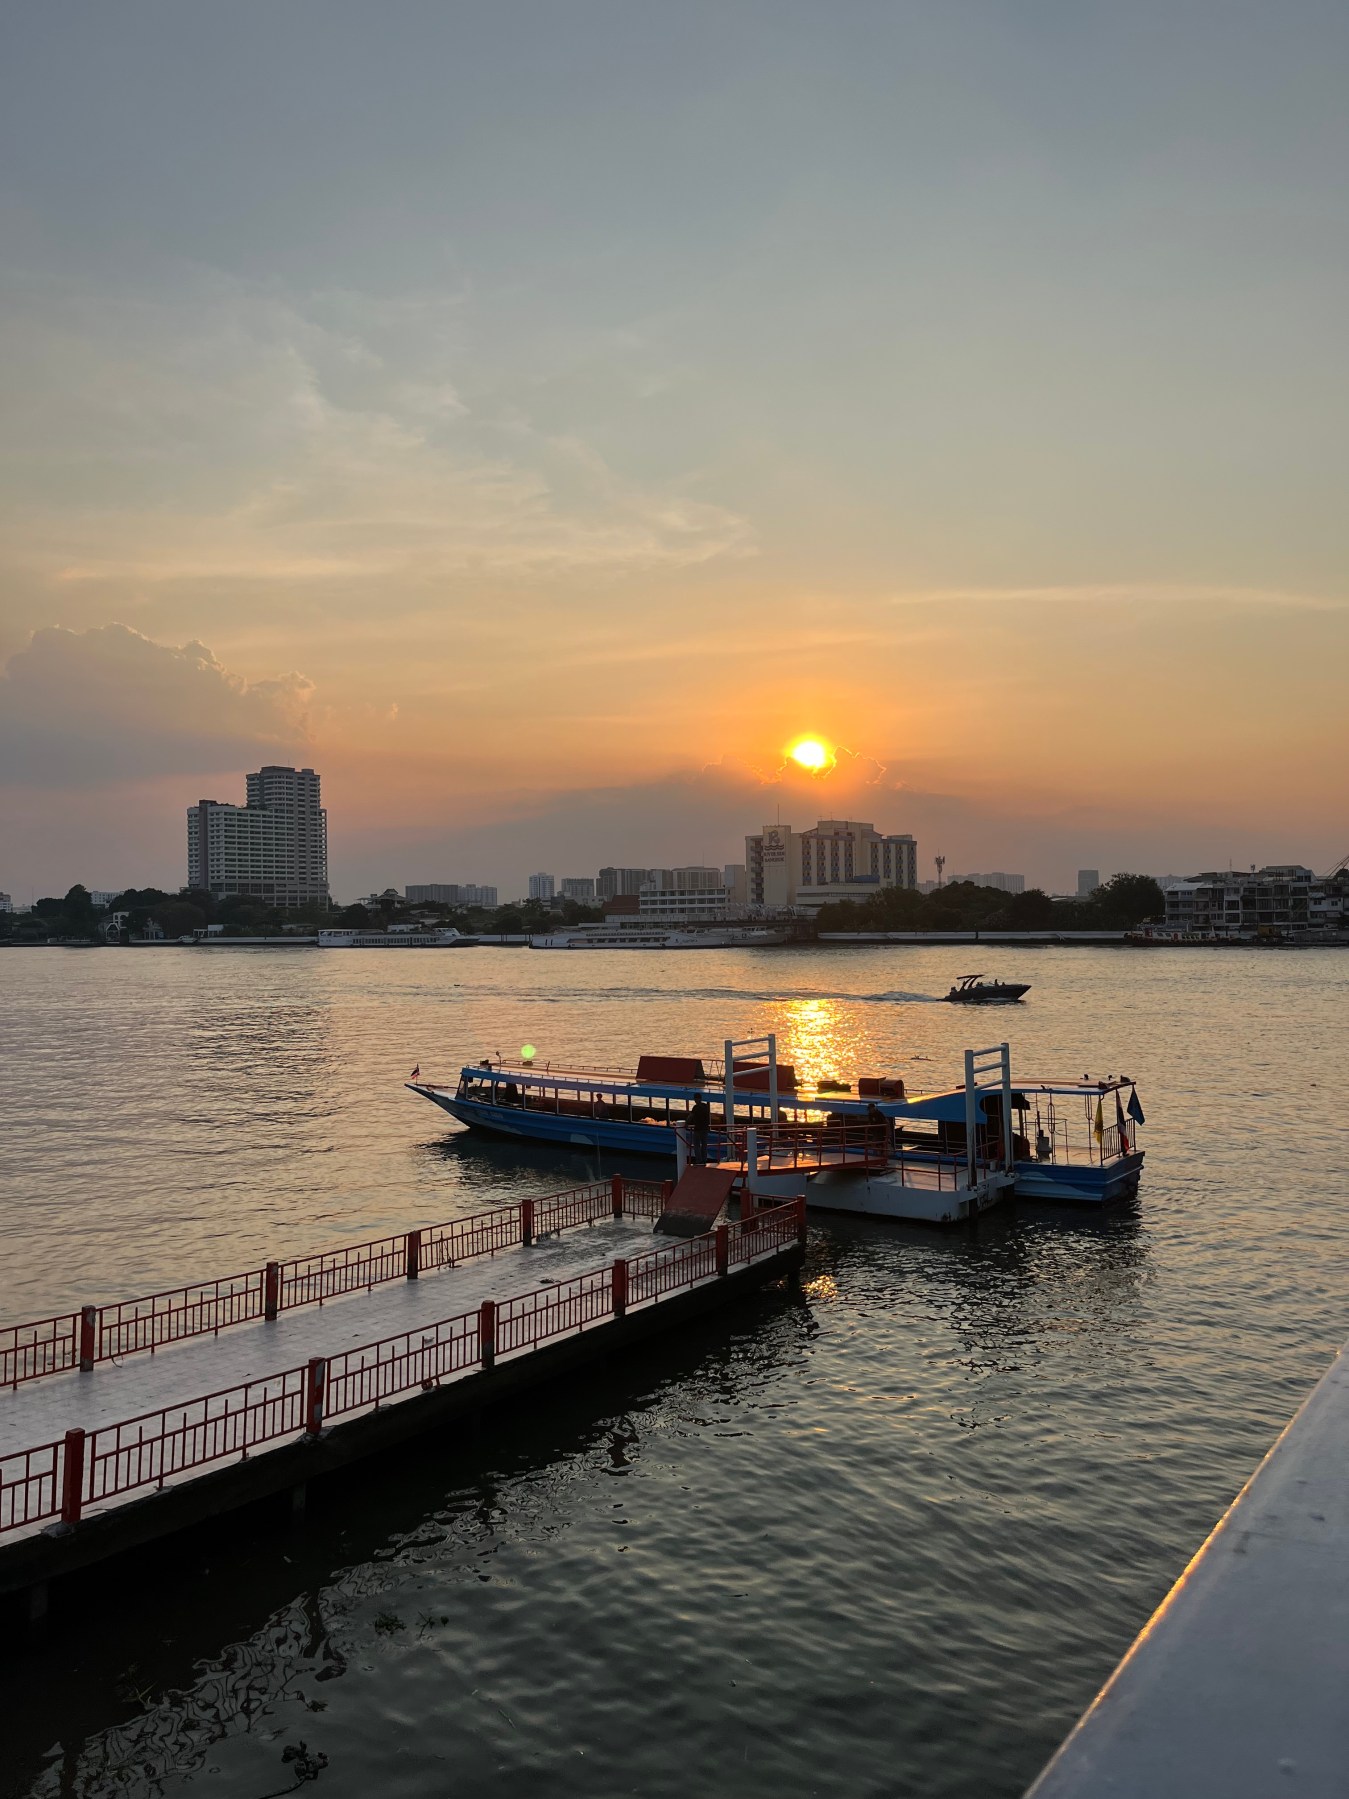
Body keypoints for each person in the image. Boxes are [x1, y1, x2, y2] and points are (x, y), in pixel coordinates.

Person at [689, 1096, 711, 1165]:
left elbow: (691, 1116)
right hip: (705, 1128)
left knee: (696, 1145)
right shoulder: (705, 1106)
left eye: (695, 1099)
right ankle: (704, 1159)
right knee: (704, 1145)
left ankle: (699, 1160)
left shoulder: (695, 1107)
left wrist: (686, 1123)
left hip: (698, 1129)